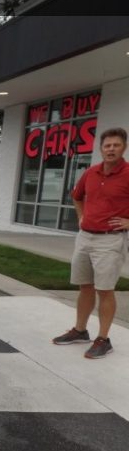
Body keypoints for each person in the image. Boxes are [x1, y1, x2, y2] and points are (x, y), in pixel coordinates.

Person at [53, 127, 129, 358]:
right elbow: (77, 196)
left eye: (116, 145)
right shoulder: (91, 172)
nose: (111, 149)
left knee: (104, 289)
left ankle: (103, 339)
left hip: (110, 240)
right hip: (85, 237)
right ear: (101, 149)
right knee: (84, 286)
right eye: (107, 146)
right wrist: (81, 216)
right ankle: (80, 330)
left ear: (123, 147)